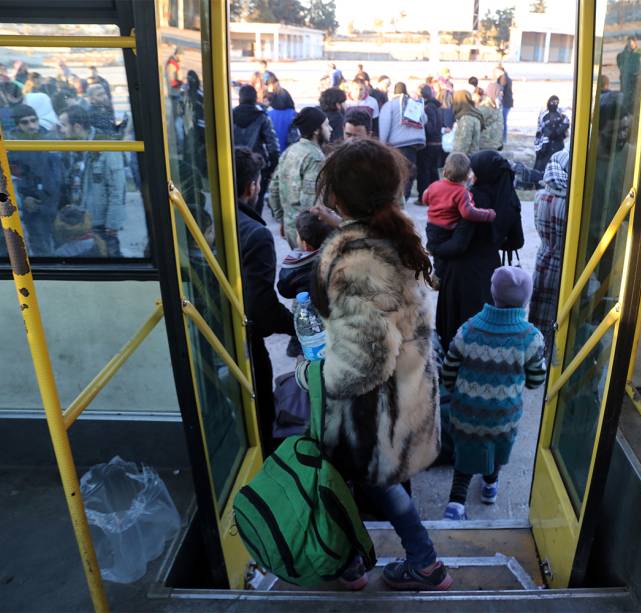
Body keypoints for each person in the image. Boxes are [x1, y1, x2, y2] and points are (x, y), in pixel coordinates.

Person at [302, 137, 451, 591]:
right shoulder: (393, 234)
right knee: (378, 480)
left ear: (337, 198)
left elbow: (364, 359)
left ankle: (367, 563)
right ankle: (418, 559)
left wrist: (317, 378)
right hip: (405, 390)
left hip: (370, 407)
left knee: (351, 476)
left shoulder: (354, 260)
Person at [441, 266, 546, 520]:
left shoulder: (469, 328)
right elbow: (535, 381)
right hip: (503, 416)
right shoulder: (531, 338)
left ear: (492, 292)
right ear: (526, 299)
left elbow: (448, 370)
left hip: (465, 412)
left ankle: (455, 506)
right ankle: (490, 486)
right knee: (496, 447)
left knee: (465, 454)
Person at [430, 150, 524, 351]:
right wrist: (492, 242)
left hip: (461, 275)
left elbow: (459, 244)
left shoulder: (472, 198)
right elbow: (517, 241)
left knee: (457, 337)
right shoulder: (510, 200)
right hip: (490, 273)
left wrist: (434, 248)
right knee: (483, 337)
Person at [234, 147, 295, 454]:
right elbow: (261, 307)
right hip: (245, 344)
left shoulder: (206, 220)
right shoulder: (256, 234)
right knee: (259, 415)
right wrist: (297, 326)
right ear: (252, 187)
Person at [59, 105, 126, 257]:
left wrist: (113, 223)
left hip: (100, 223)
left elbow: (117, 188)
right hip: (79, 220)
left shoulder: (105, 147)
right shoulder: (70, 147)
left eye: (63, 125)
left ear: (76, 127)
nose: (60, 130)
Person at [424, 152, 496, 282]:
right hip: (446, 230)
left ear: (445, 168)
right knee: (444, 255)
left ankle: (437, 272)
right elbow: (468, 213)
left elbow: (425, 198)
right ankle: (439, 276)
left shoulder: (435, 185)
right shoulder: (462, 192)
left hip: (431, 227)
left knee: (437, 253)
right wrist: (488, 214)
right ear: (467, 174)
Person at [6, 104, 63, 256]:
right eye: (25, 122)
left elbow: (60, 171)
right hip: (33, 207)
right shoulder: (10, 147)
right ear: (17, 125)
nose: (31, 126)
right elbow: (9, 179)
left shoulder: (49, 139)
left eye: (34, 120)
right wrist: (24, 199)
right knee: (41, 248)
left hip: (54, 203)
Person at [268, 107, 329, 247]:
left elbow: (274, 188)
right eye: (326, 124)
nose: (330, 128)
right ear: (316, 130)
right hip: (308, 234)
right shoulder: (315, 158)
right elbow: (310, 201)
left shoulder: (290, 151)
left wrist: (281, 219)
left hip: (291, 227)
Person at [529, 149, 569, 355]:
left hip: (544, 257)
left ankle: (538, 354)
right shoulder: (572, 201)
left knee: (541, 309)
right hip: (567, 260)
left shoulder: (540, 196)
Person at [232, 85, 279, 217]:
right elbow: (273, 144)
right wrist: (272, 167)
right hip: (256, 165)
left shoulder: (228, 115)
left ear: (240, 98)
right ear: (255, 99)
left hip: (233, 164)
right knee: (256, 203)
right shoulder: (262, 117)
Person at [379, 82, 427, 201]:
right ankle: (405, 197)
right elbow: (424, 120)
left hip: (396, 145)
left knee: (398, 173)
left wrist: (382, 144)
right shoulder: (413, 104)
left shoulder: (389, 105)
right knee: (409, 172)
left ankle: (399, 200)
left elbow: (384, 124)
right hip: (413, 145)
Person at [277, 208, 334, 300]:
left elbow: (283, 290)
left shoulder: (294, 272)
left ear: (306, 245)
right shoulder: (337, 256)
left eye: (298, 235)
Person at [416, 84, 443, 203]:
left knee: (424, 171)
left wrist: (422, 121)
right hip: (436, 144)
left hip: (429, 144)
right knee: (432, 172)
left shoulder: (428, 108)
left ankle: (424, 198)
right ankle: (435, 198)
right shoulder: (436, 107)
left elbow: (430, 128)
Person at [533, 95, 569, 173]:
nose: (554, 104)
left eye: (556, 102)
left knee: (557, 166)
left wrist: (557, 132)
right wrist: (549, 133)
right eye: (552, 102)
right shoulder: (544, 114)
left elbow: (566, 123)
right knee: (541, 167)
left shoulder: (561, 114)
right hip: (545, 146)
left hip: (558, 144)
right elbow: (541, 127)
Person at [265, 76, 297, 153]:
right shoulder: (293, 115)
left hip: (272, 154)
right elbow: (295, 138)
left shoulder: (267, 114)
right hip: (287, 154)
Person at [450, 90, 483, 155]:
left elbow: (464, 143)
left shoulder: (466, 117)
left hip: (464, 159)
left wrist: (455, 158)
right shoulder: (472, 113)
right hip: (470, 156)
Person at [616, 36, 641, 108]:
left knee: (636, 97)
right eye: (628, 44)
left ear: (635, 43)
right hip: (626, 79)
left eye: (631, 44)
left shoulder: (640, 54)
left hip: (637, 78)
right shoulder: (621, 55)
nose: (630, 46)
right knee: (626, 97)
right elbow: (619, 65)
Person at [477, 82, 503, 152]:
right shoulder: (484, 107)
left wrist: (500, 142)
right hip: (486, 144)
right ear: (493, 92)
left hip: (495, 143)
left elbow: (499, 124)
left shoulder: (497, 105)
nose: (501, 94)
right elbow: (477, 125)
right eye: (499, 91)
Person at [493, 64, 514, 143]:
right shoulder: (503, 78)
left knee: (503, 120)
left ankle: (504, 138)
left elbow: (501, 92)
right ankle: (502, 138)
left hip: (506, 102)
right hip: (505, 102)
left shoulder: (504, 79)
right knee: (502, 120)